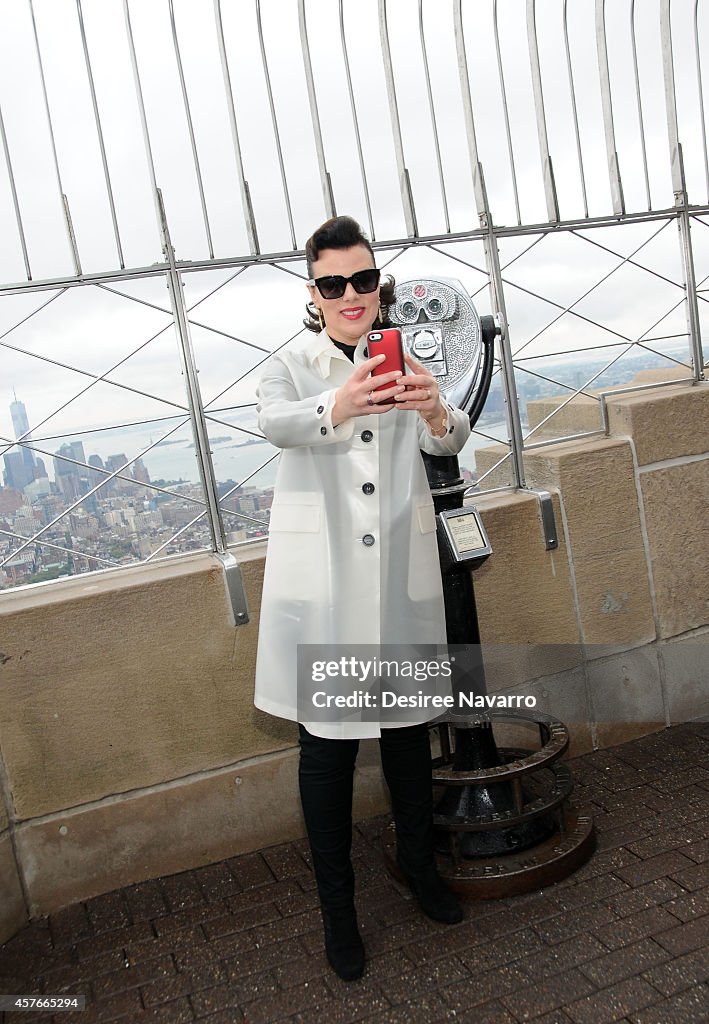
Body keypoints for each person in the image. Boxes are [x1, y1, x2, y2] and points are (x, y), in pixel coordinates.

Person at [254, 215, 471, 981]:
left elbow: (449, 443)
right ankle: (337, 913)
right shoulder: (292, 364)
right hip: (330, 589)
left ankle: (420, 869)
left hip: (398, 579)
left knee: (410, 736)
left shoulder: (406, 356)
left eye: (363, 279)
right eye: (332, 283)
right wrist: (337, 407)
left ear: (379, 284)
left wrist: (435, 409)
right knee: (330, 751)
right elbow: (271, 420)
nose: (351, 295)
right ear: (313, 293)